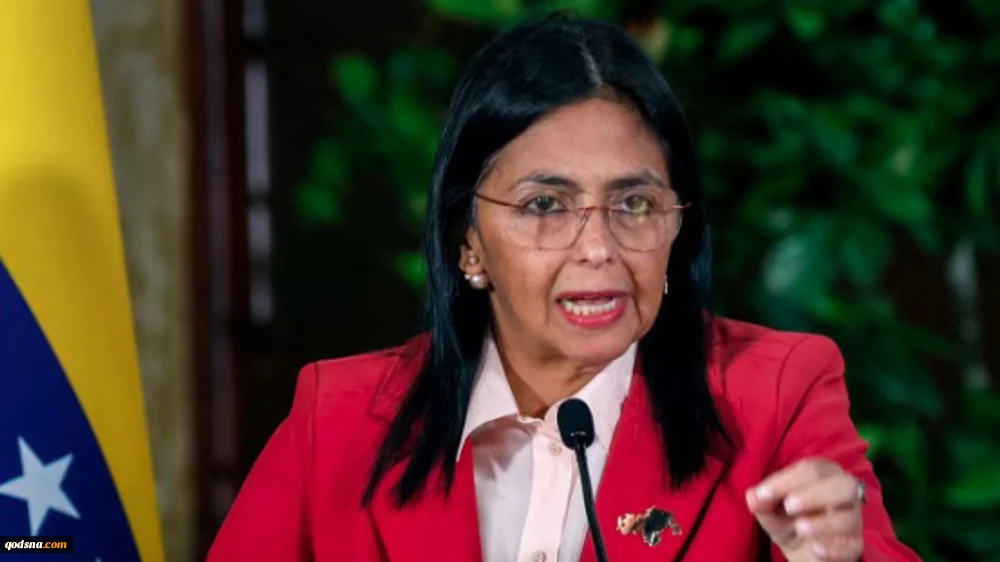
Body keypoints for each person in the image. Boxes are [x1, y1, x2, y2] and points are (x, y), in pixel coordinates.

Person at [208, 14, 920, 562]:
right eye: (545, 205)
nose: (598, 247)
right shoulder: (337, 421)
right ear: (468, 241)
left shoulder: (776, 396)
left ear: (678, 225)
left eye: (634, 204)